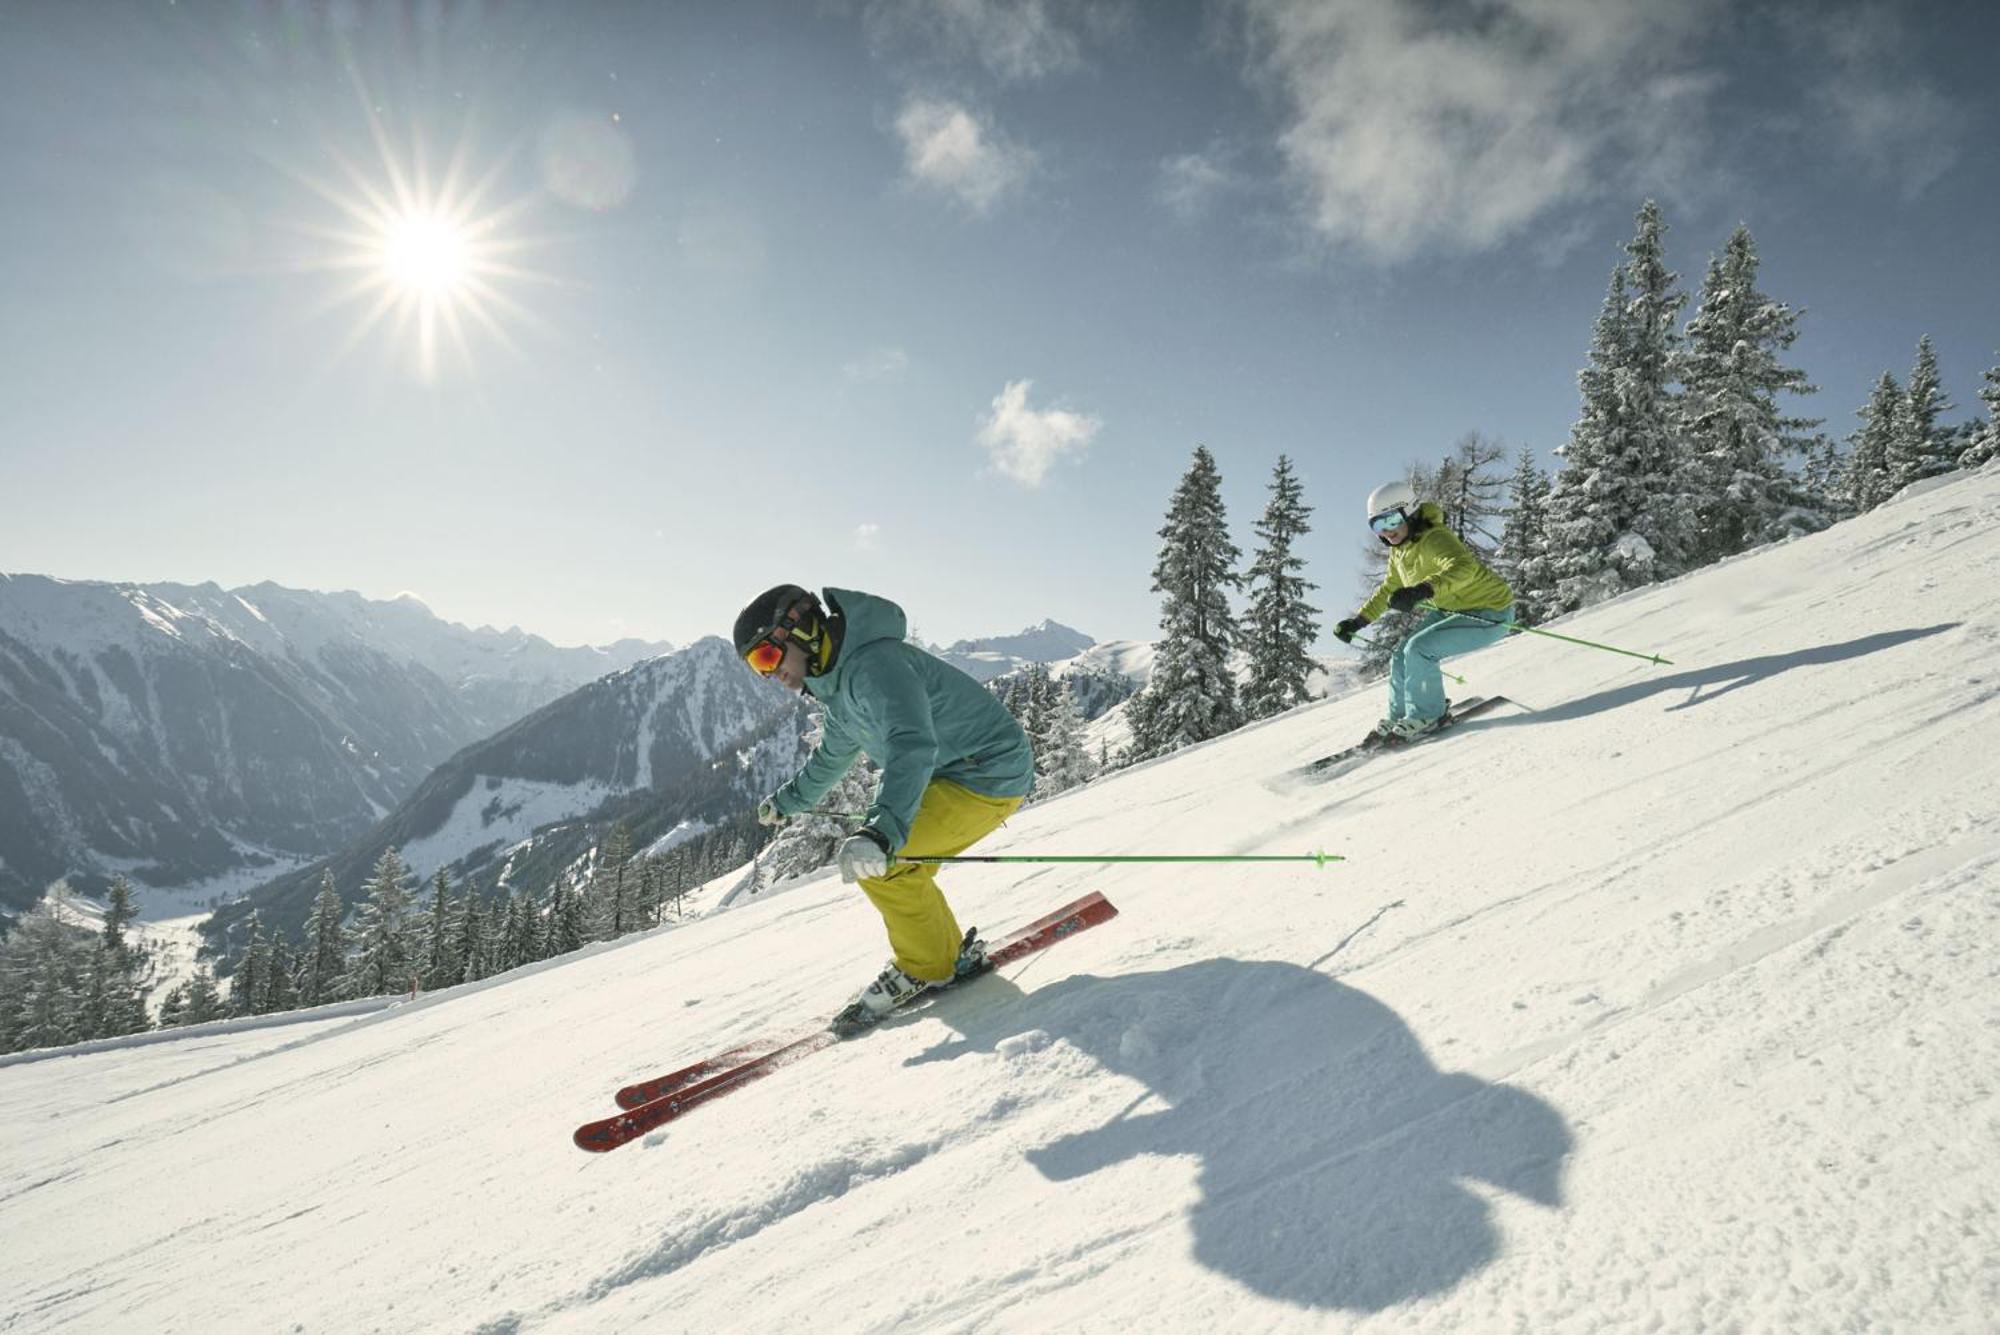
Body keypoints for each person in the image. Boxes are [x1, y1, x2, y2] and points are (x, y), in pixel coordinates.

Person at [733, 584, 1036, 1032]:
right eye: (757, 668)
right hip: (954, 773)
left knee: (886, 864)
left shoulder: (876, 666)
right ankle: (943, 956)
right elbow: (833, 755)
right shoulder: (838, 683)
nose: (768, 675)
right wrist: (788, 801)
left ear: (802, 632)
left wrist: (881, 832)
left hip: (987, 775)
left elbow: (911, 743)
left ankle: (931, 965)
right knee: (896, 863)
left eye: (766, 658)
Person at [1332, 481, 1516, 740]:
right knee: (1400, 655)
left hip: (1488, 611)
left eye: (1392, 520)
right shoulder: (1400, 551)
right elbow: (1388, 589)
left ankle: (1429, 716)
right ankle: (1401, 717)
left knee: (1419, 649)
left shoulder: (1435, 538)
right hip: (1451, 609)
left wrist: (1424, 589)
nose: (1386, 531)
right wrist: (1358, 621)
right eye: (1377, 525)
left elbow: (1465, 567)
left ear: (1409, 512)